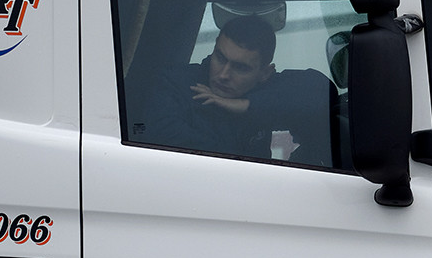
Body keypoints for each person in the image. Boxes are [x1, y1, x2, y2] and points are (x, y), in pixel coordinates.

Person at [143, 14, 335, 166]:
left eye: (240, 67)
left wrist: (247, 106)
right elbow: (162, 137)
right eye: (220, 57)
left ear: (264, 73)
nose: (224, 74)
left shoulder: (265, 91)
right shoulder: (174, 84)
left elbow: (320, 91)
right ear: (215, 45)